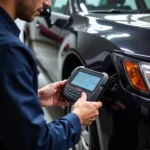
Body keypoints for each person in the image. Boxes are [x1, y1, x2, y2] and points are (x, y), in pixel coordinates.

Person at [0, 0, 102, 150]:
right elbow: (36, 143)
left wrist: (34, 97)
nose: (48, 3)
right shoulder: (10, 50)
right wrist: (77, 119)